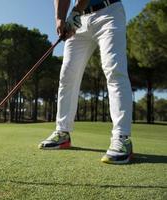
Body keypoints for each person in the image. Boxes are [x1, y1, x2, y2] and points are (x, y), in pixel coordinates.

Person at [38, 0, 133, 164]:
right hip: (80, 20)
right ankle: (62, 133)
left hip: (108, 12)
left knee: (114, 70)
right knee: (67, 76)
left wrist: (76, 10)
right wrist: (60, 18)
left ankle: (122, 137)